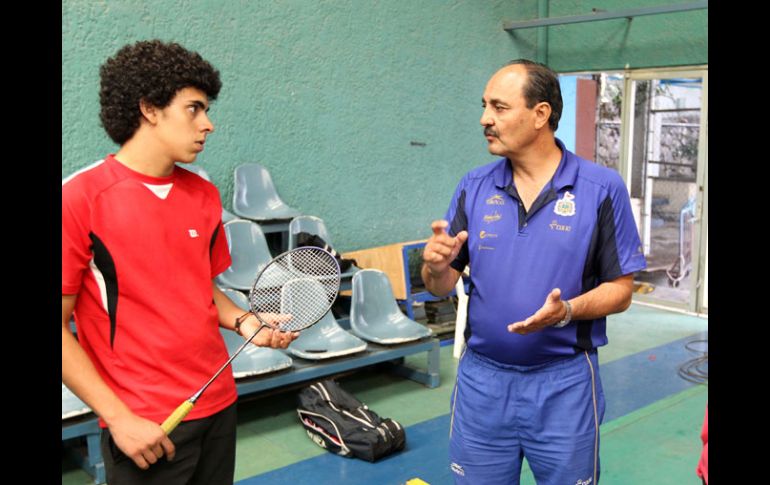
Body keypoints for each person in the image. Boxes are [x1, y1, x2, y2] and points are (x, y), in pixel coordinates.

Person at [62, 40, 298, 485]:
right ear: (150, 108)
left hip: (218, 403)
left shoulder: (203, 195)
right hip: (147, 424)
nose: (208, 125)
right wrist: (118, 418)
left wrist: (247, 322)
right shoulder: (80, 199)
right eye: (194, 109)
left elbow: (199, 288)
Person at [422, 59, 646, 484]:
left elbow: (621, 290)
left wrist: (566, 312)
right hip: (482, 384)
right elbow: (441, 286)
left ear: (541, 114)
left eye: (500, 108)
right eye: (485, 106)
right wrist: (434, 267)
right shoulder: (474, 185)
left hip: (563, 383)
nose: (485, 119)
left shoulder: (600, 189)